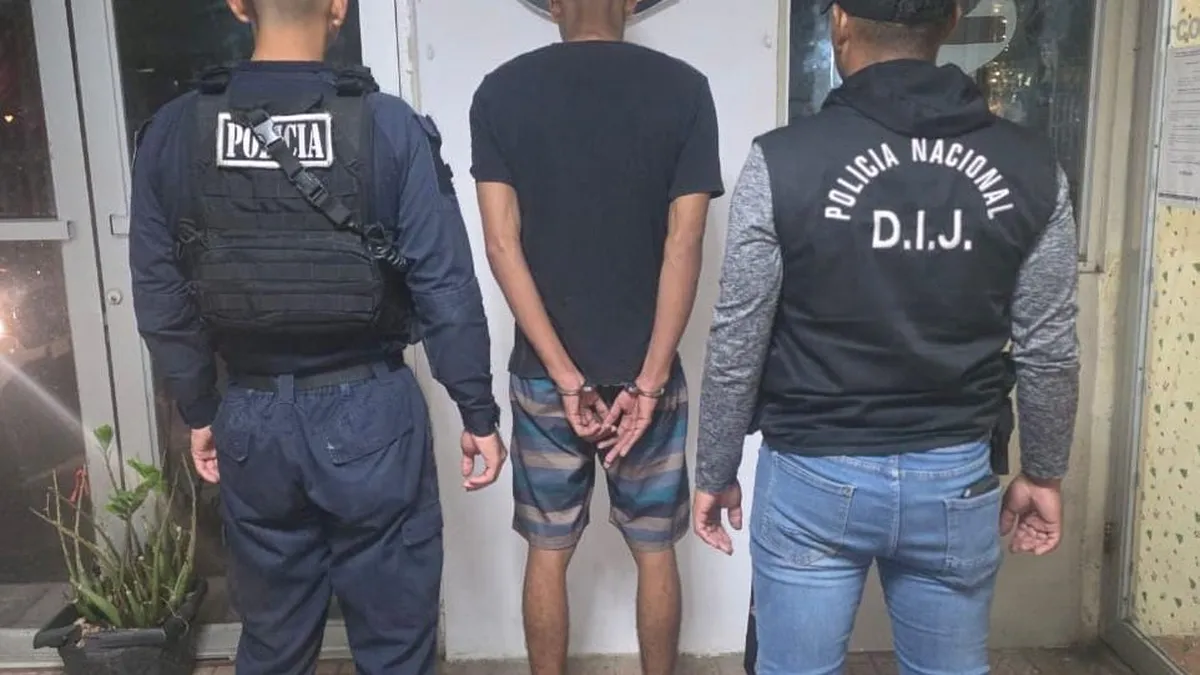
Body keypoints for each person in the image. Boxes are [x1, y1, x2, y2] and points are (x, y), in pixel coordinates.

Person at [693, 1, 1080, 673]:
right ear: (951, 21)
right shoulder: (1031, 166)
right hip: (954, 476)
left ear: (840, 21)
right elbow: (1049, 349)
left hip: (813, 473)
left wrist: (715, 470)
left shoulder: (784, 161)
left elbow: (738, 338)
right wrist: (1044, 471)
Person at [130, 1, 507, 673]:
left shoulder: (175, 132)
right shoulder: (387, 125)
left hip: (250, 415)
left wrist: (199, 406)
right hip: (371, 413)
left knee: (273, 646)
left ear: (239, 4)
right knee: (396, 649)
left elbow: (160, 295)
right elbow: (444, 283)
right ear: (339, 6)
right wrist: (476, 409)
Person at [469, 0, 723, 672]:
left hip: (544, 377)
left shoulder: (501, 92)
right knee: (656, 550)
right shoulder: (685, 90)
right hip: (648, 374)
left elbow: (501, 244)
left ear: (553, 2)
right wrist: (651, 379)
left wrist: (563, 373)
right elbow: (685, 241)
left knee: (547, 552)